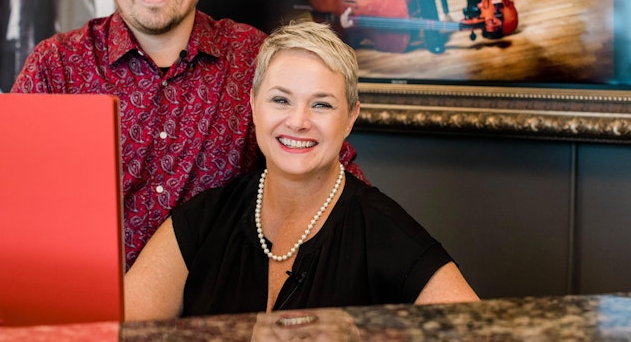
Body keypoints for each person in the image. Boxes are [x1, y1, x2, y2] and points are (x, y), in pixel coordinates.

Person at [11, 0, 362, 268]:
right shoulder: (56, 69)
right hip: (91, 315)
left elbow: (335, 180)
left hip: (223, 318)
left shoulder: (253, 58)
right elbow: (4, 199)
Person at [123, 20, 479, 319]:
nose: (298, 121)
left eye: (321, 105)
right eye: (280, 100)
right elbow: (108, 339)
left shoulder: (386, 232)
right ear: (253, 104)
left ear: (351, 117)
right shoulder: (202, 219)